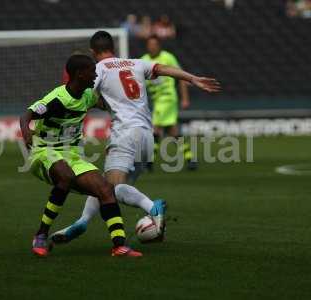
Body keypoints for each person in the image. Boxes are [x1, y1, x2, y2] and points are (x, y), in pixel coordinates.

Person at [50, 31, 220, 245]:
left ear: (93, 52)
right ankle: (82, 221)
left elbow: (83, 96)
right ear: (114, 48)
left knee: (111, 188)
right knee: (103, 185)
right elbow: (163, 69)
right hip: (146, 137)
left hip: (125, 134)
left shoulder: (98, 69)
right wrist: (193, 78)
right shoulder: (136, 63)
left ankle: (152, 207)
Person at [20, 54, 142, 257]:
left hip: (72, 154)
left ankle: (119, 245)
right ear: (79, 74)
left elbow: (107, 104)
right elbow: (26, 115)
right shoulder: (57, 99)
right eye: (92, 71)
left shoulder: (88, 95)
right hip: (44, 151)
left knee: (105, 189)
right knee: (65, 176)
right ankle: (41, 234)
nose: (96, 75)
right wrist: (26, 132)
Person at [142, 35, 196, 170]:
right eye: (150, 45)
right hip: (156, 99)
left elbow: (181, 77)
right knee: (173, 130)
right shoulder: (144, 60)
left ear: (159, 45)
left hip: (167, 98)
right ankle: (190, 158)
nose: (152, 47)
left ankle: (149, 162)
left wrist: (185, 98)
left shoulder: (168, 57)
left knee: (156, 127)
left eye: (154, 44)